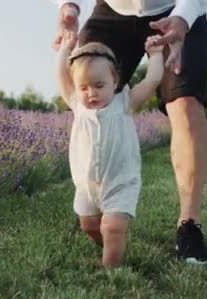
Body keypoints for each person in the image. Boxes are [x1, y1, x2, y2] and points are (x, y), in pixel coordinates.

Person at [53, 0, 207, 264]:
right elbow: (66, 83)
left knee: (185, 106)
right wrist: (67, 5)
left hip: (175, 9)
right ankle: (95, 205)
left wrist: (183, 19)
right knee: (86, 92)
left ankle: (189, 225)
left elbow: (150, 81)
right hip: (112, 11)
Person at [57, 31, 164, 268]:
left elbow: (152, 80)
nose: (91, 93)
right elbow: (61, 78)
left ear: (115, 81)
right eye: (83, 87)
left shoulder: (124, 103)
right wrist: (65, 49)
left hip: (120, 181)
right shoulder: (77, 106)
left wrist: (155, 54)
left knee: (111, 226)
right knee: (90, 225)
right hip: (87, 185)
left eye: (99, 85)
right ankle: (113, 245)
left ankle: (110, 271)